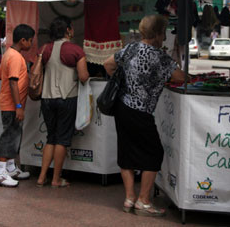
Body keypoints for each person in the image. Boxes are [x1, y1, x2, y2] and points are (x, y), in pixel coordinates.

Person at [103, 14, 186, 217]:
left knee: (126, 152)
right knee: (154, 153)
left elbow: (107, 64)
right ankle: (144, 200)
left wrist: (126, 81)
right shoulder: (159, 56)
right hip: (140, 110)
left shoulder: (130, 48)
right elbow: (180, 77)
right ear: (157, 33)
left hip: (122, 107)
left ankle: (129, 198)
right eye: (163, 34)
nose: (164, 38)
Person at [36, 16, 89, 188]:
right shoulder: (75, 50)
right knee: (62, 140)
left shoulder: (44, 49)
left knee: (50, 138)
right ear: (68, 30)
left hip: (46, 98)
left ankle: (42, 177)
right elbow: (83, 76)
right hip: (67, 98)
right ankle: (56, 179)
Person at [0, 24, 35, 187]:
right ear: (23, 40)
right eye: (30, 41)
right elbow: (12, 82)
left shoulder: (8, 54)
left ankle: (10, 167)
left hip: (8, 103)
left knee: (15, 135)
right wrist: (18, 106)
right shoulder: (16, 57)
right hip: (11, 105)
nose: (31, 44)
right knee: (9, 136)